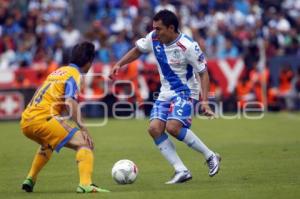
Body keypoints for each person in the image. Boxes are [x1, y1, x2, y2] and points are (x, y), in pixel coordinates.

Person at [109, 10, 221, 184]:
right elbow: (138, 50)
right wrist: (119, 64)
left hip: (185, 91)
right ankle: (181, 170)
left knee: (173, 127)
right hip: (165, 92)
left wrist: (204, 102)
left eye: (159, 28)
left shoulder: (188, 46)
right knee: (154, 129)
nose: (155, 31)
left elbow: (203, 73)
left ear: (171, 28)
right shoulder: (154, 38)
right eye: (154, 28)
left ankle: (210, 156)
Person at [20, 42, 110, 193]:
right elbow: (70, 102)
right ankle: (85, 184)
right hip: (44, 119)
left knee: (48, 143)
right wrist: (84, 129)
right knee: (84, 142)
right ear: (89, 62)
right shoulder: (74, 75)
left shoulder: (58, 72)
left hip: (26, 121)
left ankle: (30, 178)